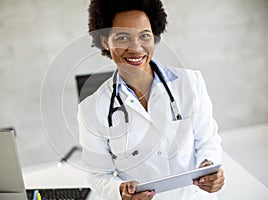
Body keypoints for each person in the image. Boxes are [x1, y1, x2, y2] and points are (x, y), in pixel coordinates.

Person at [77, 0, 225, 199]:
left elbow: (208, 141)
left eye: (144, 35)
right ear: (105, 41)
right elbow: (98, 175)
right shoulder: (91, 109)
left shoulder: (190, 83)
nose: (136, 48)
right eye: (122, 37)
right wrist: (119, 191)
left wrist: (209, 166)